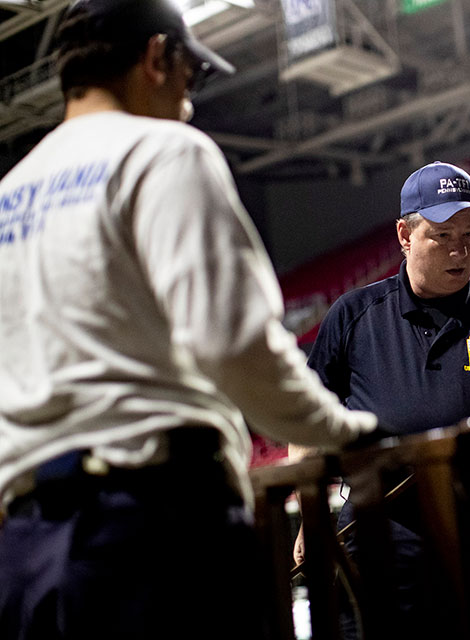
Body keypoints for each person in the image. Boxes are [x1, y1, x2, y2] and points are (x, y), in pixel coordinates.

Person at [0, 1, 377, 638]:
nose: (190, 101)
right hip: (155, 528)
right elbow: (230, 344)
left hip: (26, 548)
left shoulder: (9, 194)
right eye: (190, 77)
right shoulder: (165, 151)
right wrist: (345, 432)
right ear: (156, 58)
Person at [291, 160, 470, 638]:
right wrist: (309, 517)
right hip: (379, 535)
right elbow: (307, 428)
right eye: (442, 235)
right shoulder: (354, 316)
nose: (460, 249)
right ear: (404, 234)